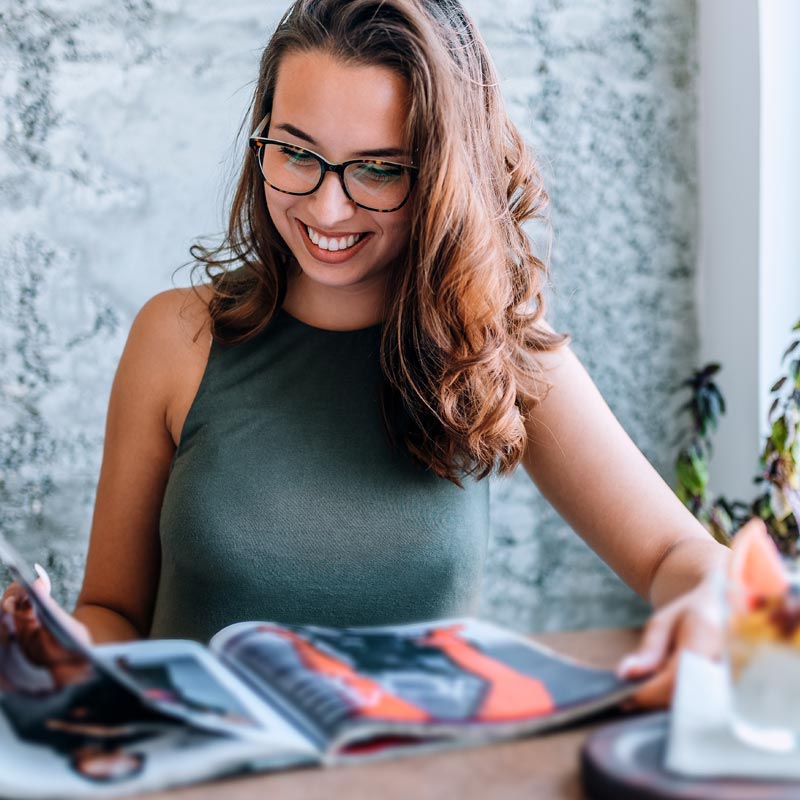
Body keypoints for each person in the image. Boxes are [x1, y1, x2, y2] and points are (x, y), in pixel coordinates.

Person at [3, 0, 734, 709]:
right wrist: (55, 644)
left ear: (443, 175)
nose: (326, 209)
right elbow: (111, 613)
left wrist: (709, 608)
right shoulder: (174, 339)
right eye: (295, 153)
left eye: (378, 170)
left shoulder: (494, 350)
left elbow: (682, 558)